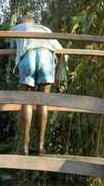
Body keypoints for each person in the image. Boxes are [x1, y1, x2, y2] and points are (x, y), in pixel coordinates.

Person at [10, 13, 67, 154]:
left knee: (26, 102)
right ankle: (41, 147)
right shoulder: (45, 29)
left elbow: (12, 52)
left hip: (27, 56)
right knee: (43, 102)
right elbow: (61, 51)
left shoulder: (16, 29)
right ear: (35, 22)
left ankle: (24, 147)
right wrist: (62, 77)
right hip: (46, 58)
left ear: (19, 22)